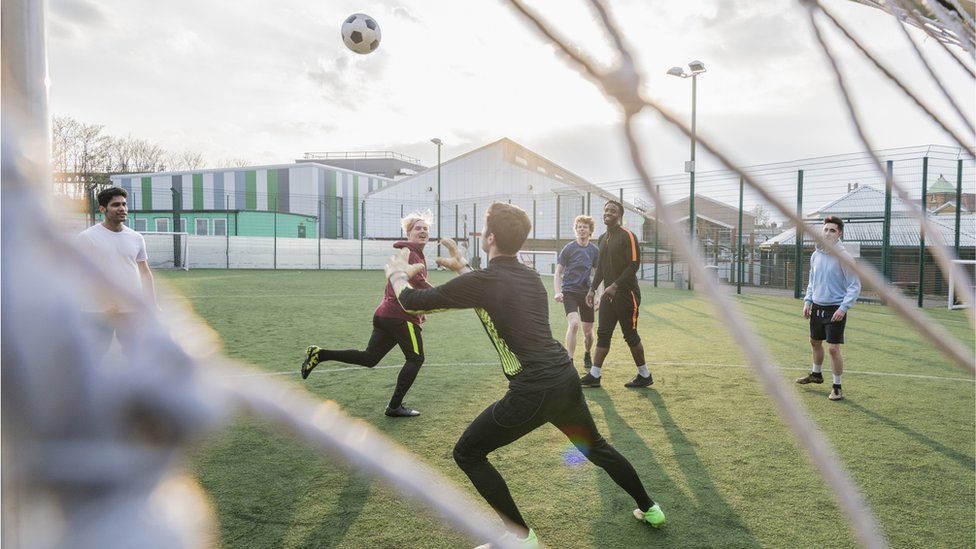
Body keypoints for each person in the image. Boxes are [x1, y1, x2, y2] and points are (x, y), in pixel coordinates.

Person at [386, 202, 665, 548]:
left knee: (467, 453)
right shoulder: (528, 276)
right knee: (596, 447)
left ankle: (521, 537)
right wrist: (464, 269)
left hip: (533, 390)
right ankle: (651, 508)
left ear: (489, 237)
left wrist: (397, 273)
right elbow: (490, 291)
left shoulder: (487, 281)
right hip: (563, 379)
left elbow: (413, 302)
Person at [301, 211, 433, 418]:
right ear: (408, 233)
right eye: (418, 228)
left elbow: (399, 285)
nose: (423, 231)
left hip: (385, 314)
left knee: (370, 358)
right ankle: (394, 407)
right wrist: (447, 295)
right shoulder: (410, 253)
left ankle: (320, 354)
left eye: (425, 228)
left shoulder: (412, 253)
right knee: (416, 359)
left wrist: (420, 311)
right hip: (400, 317)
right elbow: (420, 285)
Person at [580, 200, 653, 389]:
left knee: (630, 335)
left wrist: (615, 285)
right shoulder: (602, 237)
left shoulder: (628, 235)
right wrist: (593, 288)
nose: (607, 213)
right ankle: (595, 375)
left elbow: (634, 265)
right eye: (605, 210)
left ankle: (645, 375)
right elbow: (601, 269)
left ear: (619, 215)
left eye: (612, 211)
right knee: (603, 333)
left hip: (627, 295)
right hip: (608, 295)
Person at [77, 187, 158, 356]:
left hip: (130, 311)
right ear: (102, 209)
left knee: (136, 356)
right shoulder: (87, 237)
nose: (122, 208)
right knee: (93, 357)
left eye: (124, 204)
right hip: (98, 312)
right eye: (115, 205)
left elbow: (144, 273)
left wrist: (152, 303)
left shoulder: (136, 238)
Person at [796, 215, 861, 401]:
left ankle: (837, 387)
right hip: (816, 306)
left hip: (835, 309)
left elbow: (854, 286)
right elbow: (812, 281)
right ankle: (816, 375)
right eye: (825, 229)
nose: (828, 233)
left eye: (832, 230)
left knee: (833, 349)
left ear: (839, 233)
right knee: (815, 343)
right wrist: (808, 301)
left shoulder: (845, 257)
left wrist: (843, 308)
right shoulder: (815, 255)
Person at [554, 215, 600, 373]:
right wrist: (557, 292)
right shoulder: (569, 248)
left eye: (584, 227)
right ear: (576, 230)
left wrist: (598, 296)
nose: (581, 229)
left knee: (588, 333)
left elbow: (599, 275)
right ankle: (569, 361)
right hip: (569, 291)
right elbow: (558, 271)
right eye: (579, 227)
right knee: (573, 324)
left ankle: (587, 354)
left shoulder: (594, 251)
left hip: (587, 294)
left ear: (590, 231)